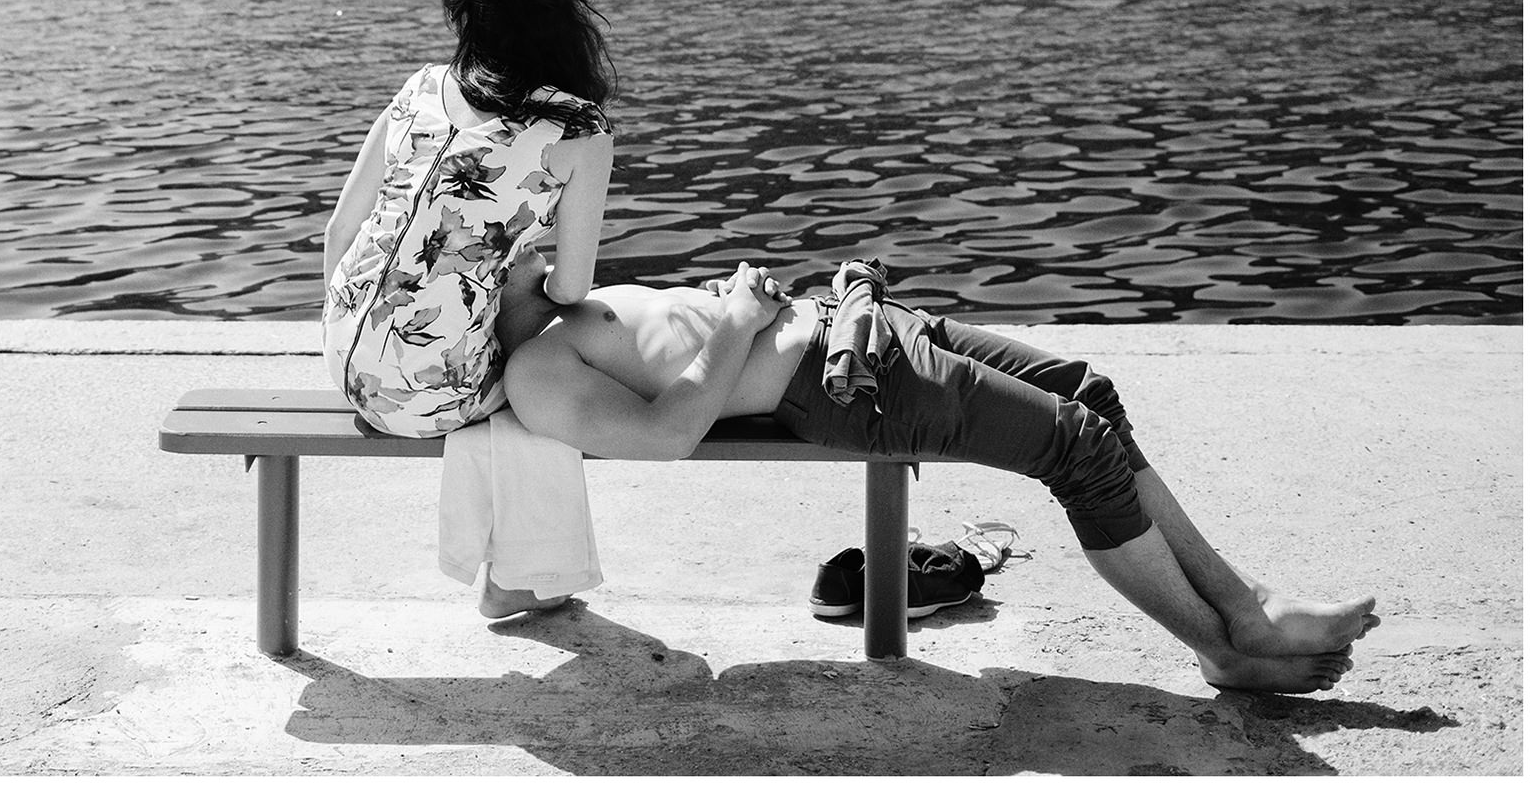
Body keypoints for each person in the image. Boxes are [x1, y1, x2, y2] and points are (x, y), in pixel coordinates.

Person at [493, 258, 1377, 694]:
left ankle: (1245, 604)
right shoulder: (537, 371)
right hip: (845, 383)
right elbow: (664, 436)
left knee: (1089, 397)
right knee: (1078, 447)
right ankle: (1221, 646)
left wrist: (746, 308)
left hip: (855, 320)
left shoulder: (554, 295)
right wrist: (734, 320)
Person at [323, 0, 616, 445]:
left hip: (342, 362)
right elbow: (572, 288)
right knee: (564, 299)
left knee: (498, 268)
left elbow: (340, 230)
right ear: (554, 11)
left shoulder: (421, 87)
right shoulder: (578, 130)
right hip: (434, 402)